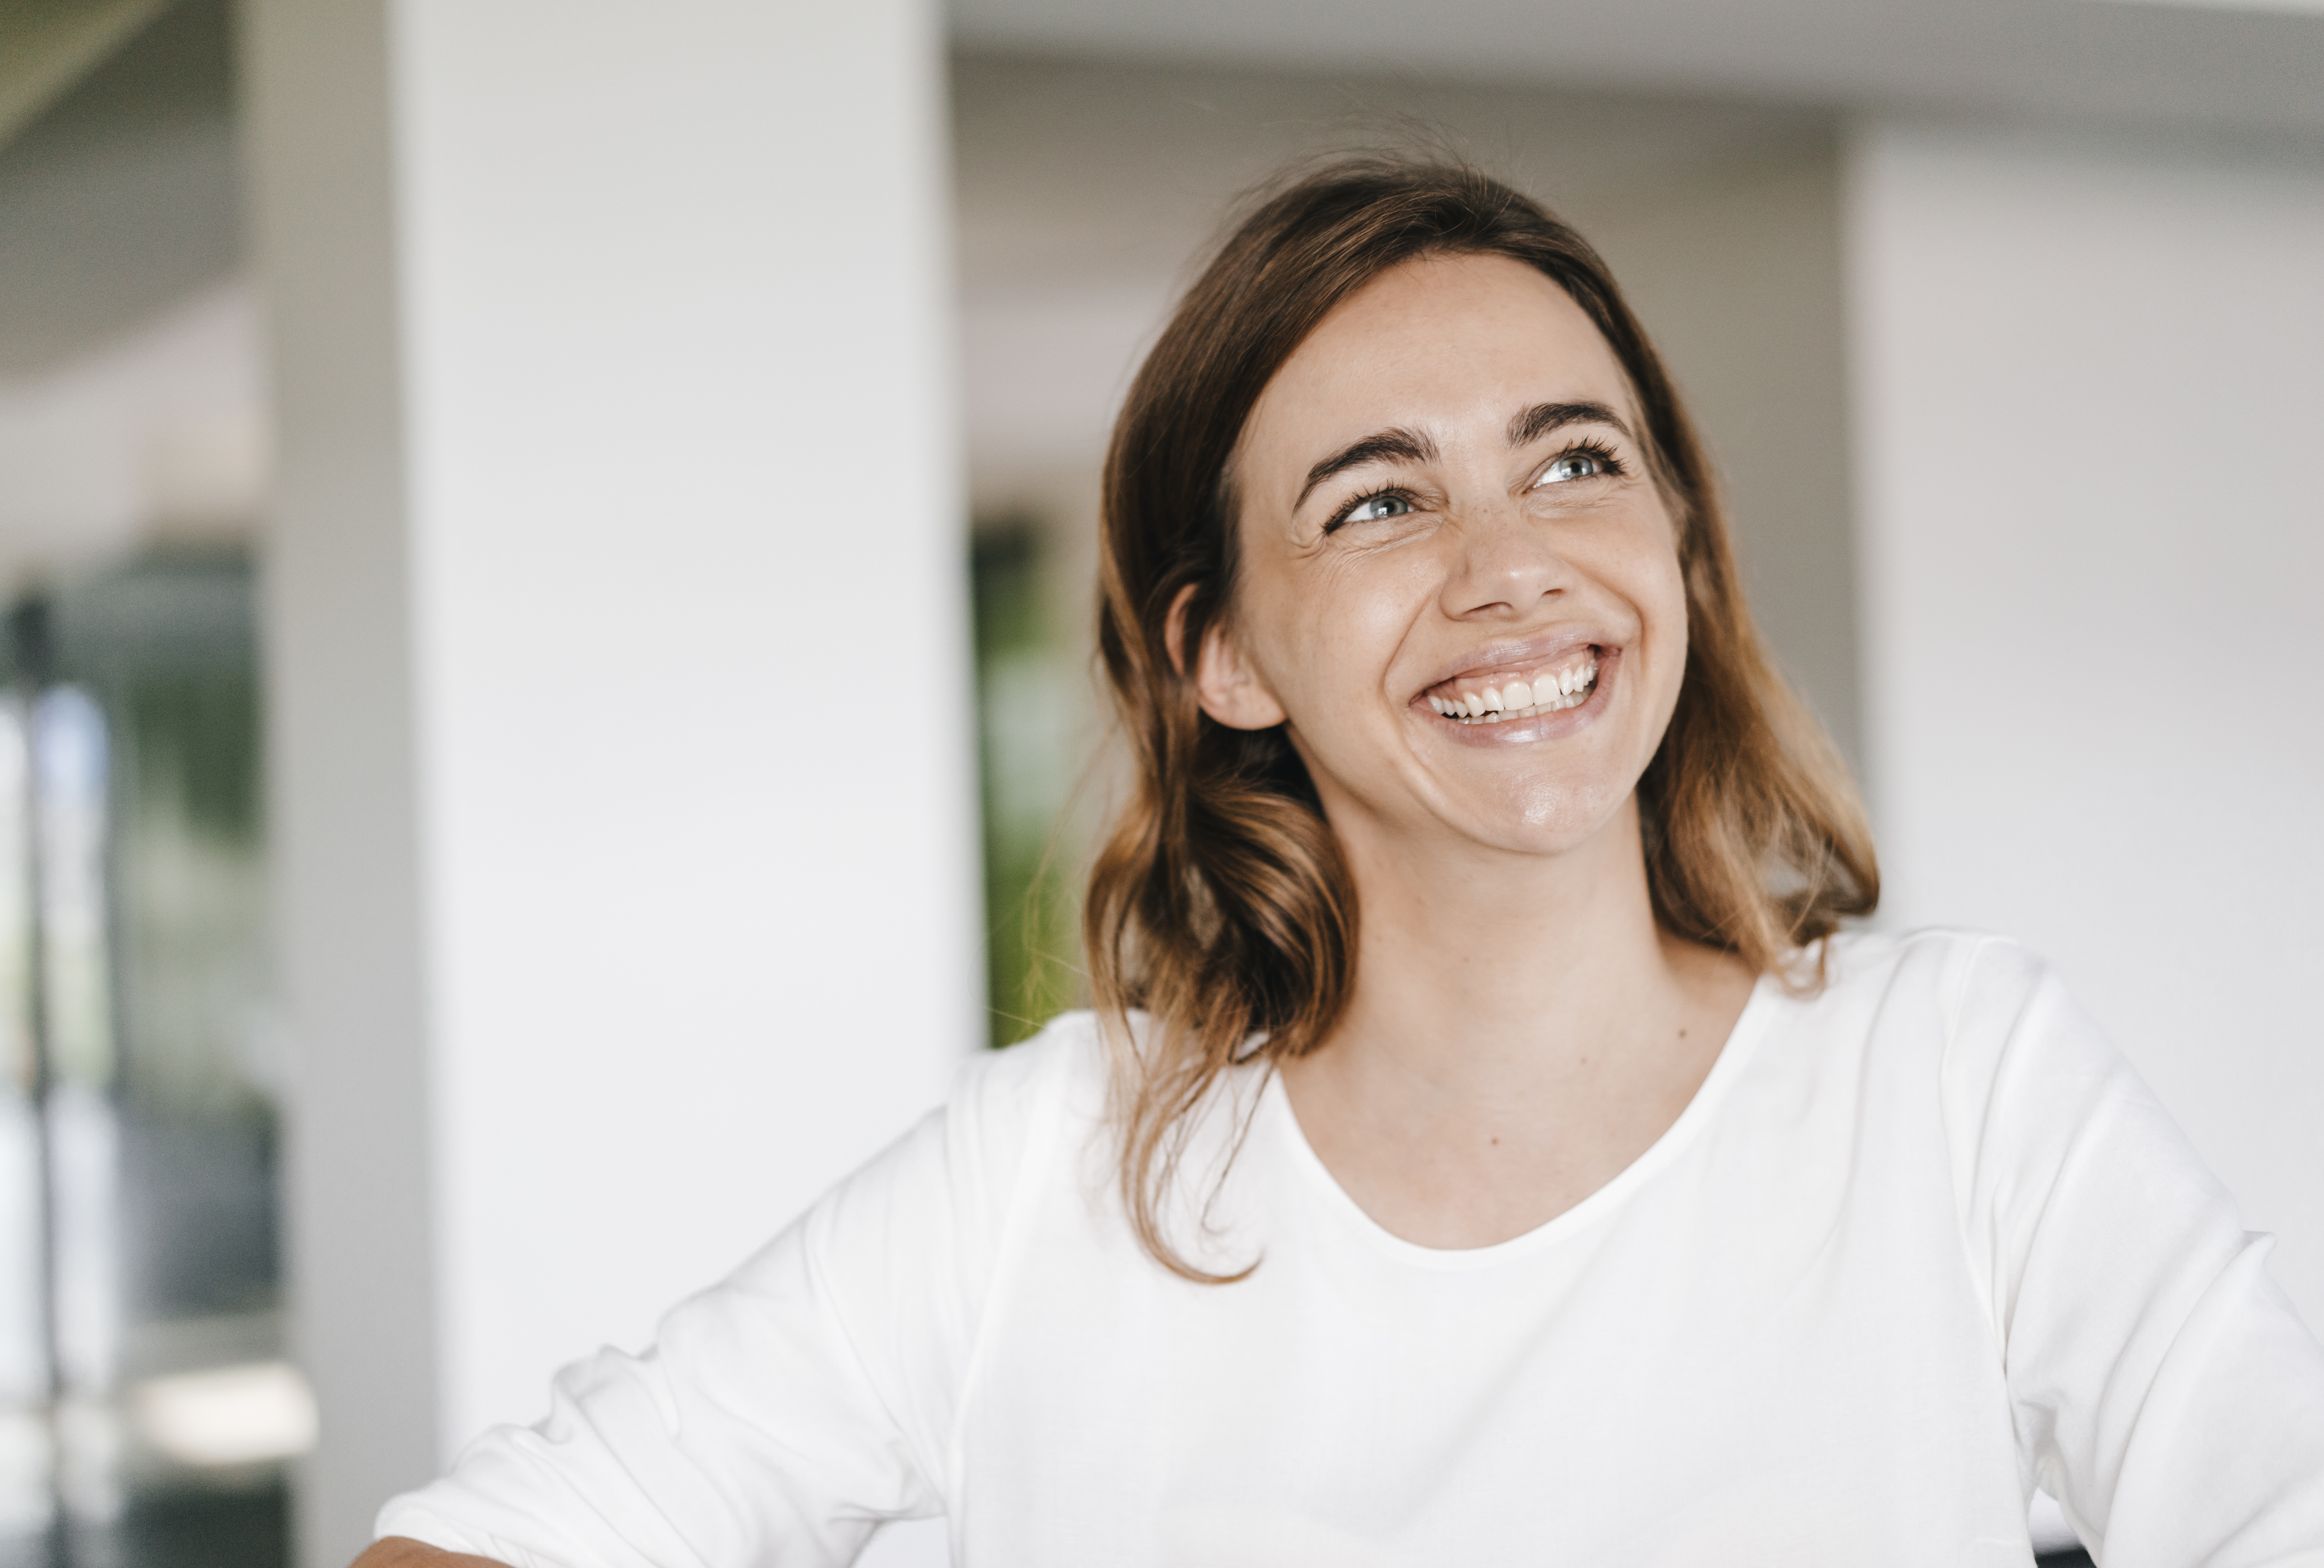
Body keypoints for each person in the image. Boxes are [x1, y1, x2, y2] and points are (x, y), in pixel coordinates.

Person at [359, 158, 2324, 1568]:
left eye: (1577, 461)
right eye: (1381, 500)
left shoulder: (1961, 1085)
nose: (1509, 565)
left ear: (1682, 552)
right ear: (1222, 654)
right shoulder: (1046, 1178)